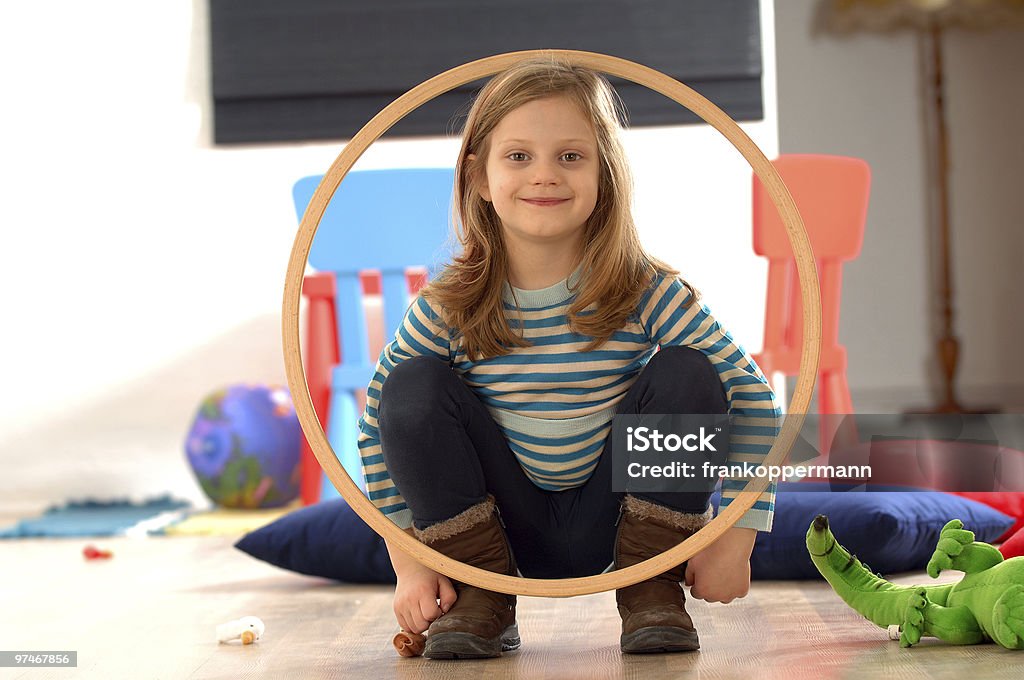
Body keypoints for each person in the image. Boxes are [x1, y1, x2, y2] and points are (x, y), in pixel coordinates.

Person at [355, 56, 780, 659]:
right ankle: (481, 597)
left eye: (571, 157)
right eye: (519, 156)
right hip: (498, 528)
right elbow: (378, 424)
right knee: (408, 386)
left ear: (604, 173)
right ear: (478, 177)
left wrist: (737, 537)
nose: (545, 176)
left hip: (622, 519)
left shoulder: (646, 291)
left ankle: (650, 590)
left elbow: (754, 397)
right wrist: (411, 562)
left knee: (690, 372)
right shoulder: (448, 305)